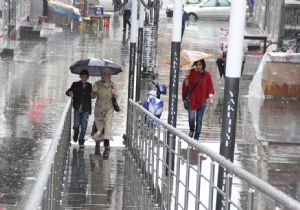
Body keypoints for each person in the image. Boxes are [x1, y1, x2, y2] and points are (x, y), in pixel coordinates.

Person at [182, 59, 214, 140]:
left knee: (199, 120)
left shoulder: (207, 75)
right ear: (195, 65)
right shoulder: (191, 72)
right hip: (192, 100)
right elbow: (186, 86)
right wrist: (186, 78)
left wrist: (210, 98)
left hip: (202, 101)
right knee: (191, 118)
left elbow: (210, 86)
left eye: (200, 64)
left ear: (203, 65)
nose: (198, 66)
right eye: (197, 64)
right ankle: (192, 130)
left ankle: (196, 138)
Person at [91, 68, 117, 158]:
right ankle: (97, 142)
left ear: (110, 76)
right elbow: (92, 97)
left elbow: (116, 97)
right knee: (99, 127)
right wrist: (93, 92)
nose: (106, 76)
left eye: (108, 74)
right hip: (99, 109)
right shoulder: (97, 84)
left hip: (109, 109)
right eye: (104, 74)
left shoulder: (113, 85)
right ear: (102, 76)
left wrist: (114, 94)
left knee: (107, 126)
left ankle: (107, 145)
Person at [66, 70, 92, 148]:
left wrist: (93, 93)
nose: (84, 78)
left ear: (88, 78)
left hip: (86, 109)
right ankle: (76, 133)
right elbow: (68, 92)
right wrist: (69, 93)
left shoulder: (89, 86)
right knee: (76, 125)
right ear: (80, 77)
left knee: (84, 125)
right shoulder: (75, 84)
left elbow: (91, 96)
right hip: (77, 108)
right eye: (82, 77)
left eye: (85, 77)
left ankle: (81, 140)